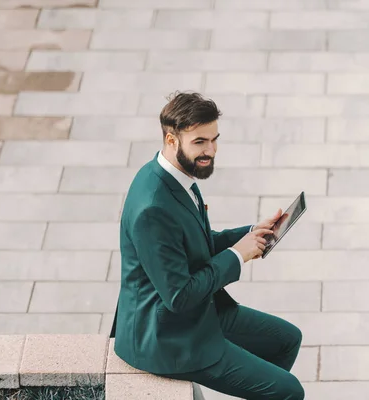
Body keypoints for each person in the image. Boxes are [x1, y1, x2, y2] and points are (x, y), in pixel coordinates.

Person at [110, 91, 305, 400]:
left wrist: (252, 232)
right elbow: (180, 296)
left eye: (214, 139)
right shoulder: (153, 208)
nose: (210, 150)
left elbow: (194, 245)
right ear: (172, 140)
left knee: (287, 339)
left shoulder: (176, 177)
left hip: (197, 313)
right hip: (168, 337)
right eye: (200, 142)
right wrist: (237, 256)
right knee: (289, 392)